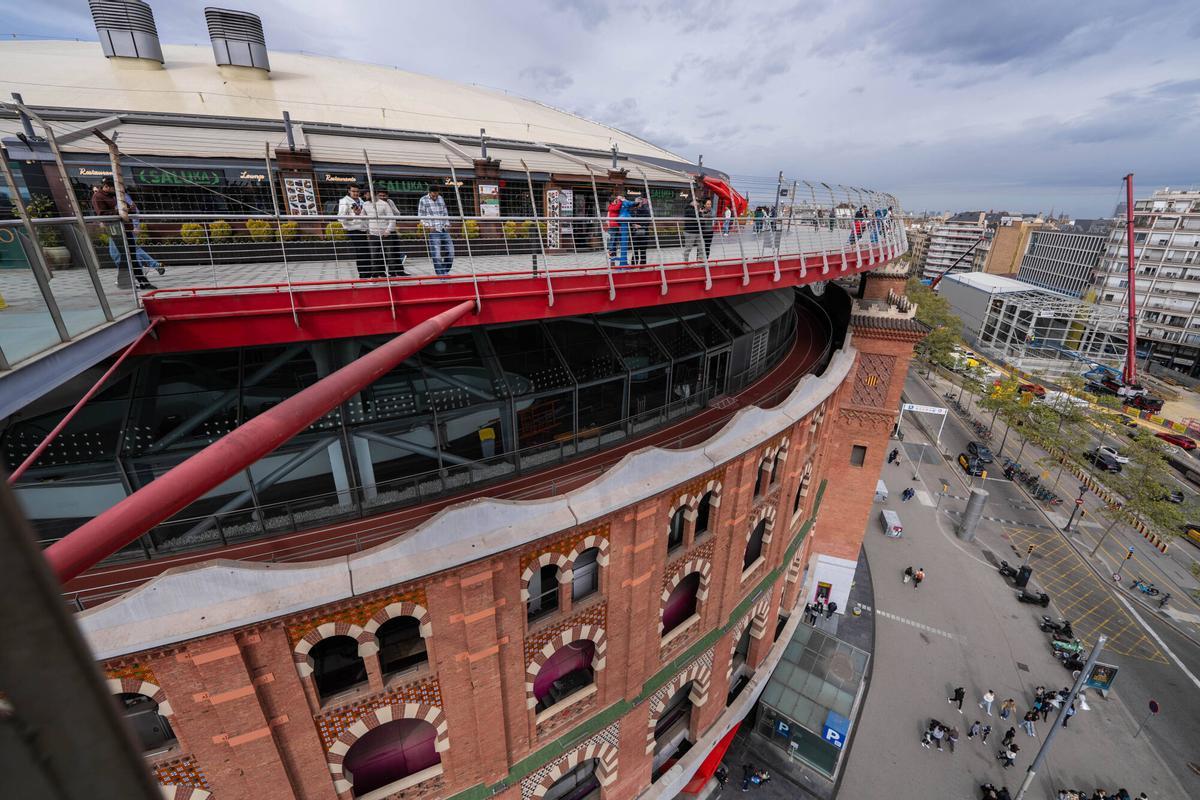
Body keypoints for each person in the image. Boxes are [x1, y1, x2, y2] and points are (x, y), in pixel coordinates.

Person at [90, 178, 162, 290]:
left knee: (130, 256)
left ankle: (134, 282)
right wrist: (122, 211)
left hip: (126, 228)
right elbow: (102, 214)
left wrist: (130, 209)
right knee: (126, 256)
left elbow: (127, 210)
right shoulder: (98, 197)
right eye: (113, 187)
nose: (116, 190)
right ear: (106, 186)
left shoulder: (114, 195)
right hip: (116, 229)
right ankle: (136, 282)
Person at [368, 188, 407, 276]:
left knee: (395, 251)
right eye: (380, 195)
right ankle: (382, 272)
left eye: (384, 195)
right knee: (382, 253)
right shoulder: (375, 204)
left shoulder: (390, 202)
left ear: (387, 196)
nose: (382, 197)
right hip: (382, 231)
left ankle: (399, 271)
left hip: (391, 230)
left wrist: (390, 208)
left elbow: (398, 214)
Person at [418, 184, 454, 276]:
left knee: (451, 252)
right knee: (437, 254)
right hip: (433, 231)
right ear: (429, 193)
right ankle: (441, 274)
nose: (435, 197)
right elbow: (421, 216)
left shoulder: (441, 198)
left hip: (443, 229)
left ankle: (445, 270)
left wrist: (447, 224)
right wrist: (428, 226)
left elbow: (445, 212)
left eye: (436, 195)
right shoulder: (423, 200)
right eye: (433, 195)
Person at [338, 184, 372, 278]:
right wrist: (354, 215)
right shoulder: (344, 201)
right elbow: (340, 218)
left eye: (357, 191)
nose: (356, 193)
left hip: (363, 229)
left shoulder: (361, 200)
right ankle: (363, 274)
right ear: (349, 191)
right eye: (353, 191)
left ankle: (369, 272)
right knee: (361, 252)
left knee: (366, 252)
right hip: (354, 230)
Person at [681, 195, 705, 262]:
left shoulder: (695, 209)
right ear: (691, 202)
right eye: (696, 201)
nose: (698, 203)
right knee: (688, 248)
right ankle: (685, 261)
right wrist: (700, 213)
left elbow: (700, 220)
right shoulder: (688, 209)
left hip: (697, 231)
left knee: (701, 246)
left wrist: (701, 214)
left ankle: (700, 258)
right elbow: (696, 218)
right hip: (690, 232)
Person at [630, 195, 652, 266]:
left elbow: (648, 220)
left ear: (641, 202)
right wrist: (633, 225)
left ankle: (642, 264)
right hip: (634, 231)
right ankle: (634, 263)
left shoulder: (645, 209)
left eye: (638, 201)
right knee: (635, 249)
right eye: (636, 201)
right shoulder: (632, 210)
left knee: (643, 249)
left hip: (643, 231)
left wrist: (641, 226)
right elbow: (629, 219)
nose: (636, 203)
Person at [606, 193, 623, 265]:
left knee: (616, 243)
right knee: (612, 242)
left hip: (618, 227)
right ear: (613, 201)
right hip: (613, 227)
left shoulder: (616, 205)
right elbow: (617, 208)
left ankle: (614, 259)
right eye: (616, 200)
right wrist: (620, 201)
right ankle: (611, 259)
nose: (617, 201)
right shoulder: (611, 206)